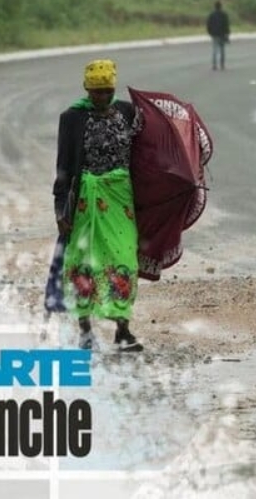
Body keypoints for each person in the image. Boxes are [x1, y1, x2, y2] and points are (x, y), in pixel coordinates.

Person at [53, 59, 144, 352]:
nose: (102, 97)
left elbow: (144, 155)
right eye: (96, 92)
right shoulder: (72, 118)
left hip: (121, 200)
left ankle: (123, 330)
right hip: (85, 202)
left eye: (106, 91)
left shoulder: (128, 112)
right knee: (83, 261)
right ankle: (85, 332)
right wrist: (59, 209)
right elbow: (64, 166)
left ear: (114, 89)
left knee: (124, 258)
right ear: (86, 90)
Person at [206, 0, 230, 71]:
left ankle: (214, 65)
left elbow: (208, 25)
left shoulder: (211, 15)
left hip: (214, 34)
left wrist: (210, 33)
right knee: (222, 50)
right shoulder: (224, 15)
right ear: (221, 7)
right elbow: (226, 25)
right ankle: (222, 65)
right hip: (222, 34)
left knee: (215, 50)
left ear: (214, 7)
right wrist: (227, 34)